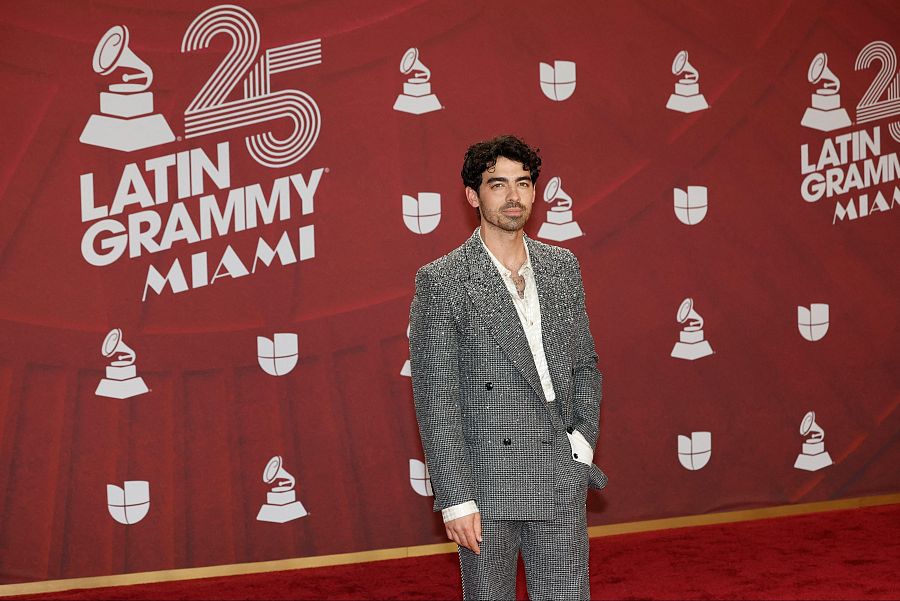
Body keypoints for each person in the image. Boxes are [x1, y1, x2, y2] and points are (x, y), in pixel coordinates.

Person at [409, 134, 607, 600]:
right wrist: (456, 497)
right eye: (498, 184)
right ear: (472, 196)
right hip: (485, 484)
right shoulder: (443, 280)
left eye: (523, 183)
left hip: (560, 470)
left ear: (535, 192)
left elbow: (585, 366)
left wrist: (581, 442)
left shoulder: (562, 266)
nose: (513, 195)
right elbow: (437, 400)